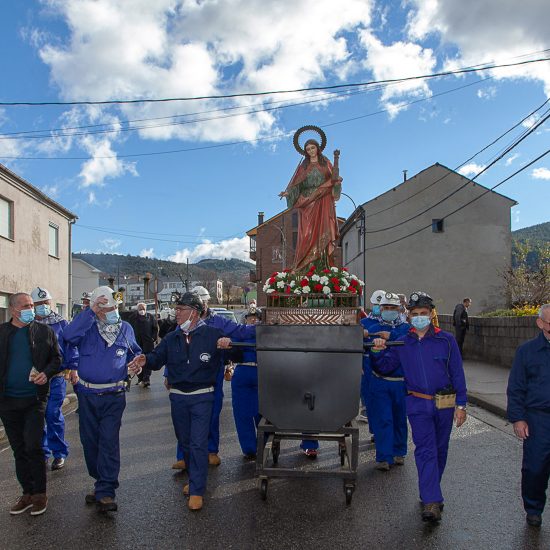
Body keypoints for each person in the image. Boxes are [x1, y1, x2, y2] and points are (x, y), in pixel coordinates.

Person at [128, 292, 231, 511]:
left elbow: (233, 354)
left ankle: (197, 490)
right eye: (176, 309)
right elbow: (157, 358)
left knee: (198, 442)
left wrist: (229, 346)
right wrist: (145, 360)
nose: (176, 313)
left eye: (180, 309)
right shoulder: (171, 338)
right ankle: (194, 478)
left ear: (194, 312)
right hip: (178, 398)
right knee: (185, 442)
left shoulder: (213, 334)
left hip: (203, 396)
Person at [371, 292, 467, 523]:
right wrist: (377, 350)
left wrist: (461, 404)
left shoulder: (446, 340)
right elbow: (385, 366)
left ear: (431, 314)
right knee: (425, 450)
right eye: (415, 314)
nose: (419, 317)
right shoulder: (403, 342)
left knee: (440, 449)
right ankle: (431, 500)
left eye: (423, 313)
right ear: (409, 316)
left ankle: (431, 489)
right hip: (417, 403)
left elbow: (457, 373)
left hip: (444, 403)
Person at [63, 286, 142, 513]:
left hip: (114, 396)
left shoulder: (125, 328)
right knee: (90, 442)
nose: (113, 312)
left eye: (115, 307)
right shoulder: (86, 328)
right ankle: (100, 482)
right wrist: (89, 312)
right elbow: (68, 336)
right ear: (97, 309)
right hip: (87, 396)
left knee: (108, 440)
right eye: (107, 308)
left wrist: (138, 362)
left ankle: (107, 490)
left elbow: (135, 352)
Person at [170, 286, 256, 470]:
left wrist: (262, 327)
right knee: (184, 417)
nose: (202, 304)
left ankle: (211, 451)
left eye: (203, 301)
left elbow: (240, 331)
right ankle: (183, 456)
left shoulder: (218, 322)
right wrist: (168, 374)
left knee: (212, 412)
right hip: (187, 375)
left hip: (212, 372)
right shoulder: (183, 323)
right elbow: (173, 348)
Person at [0, 292, 62, 516]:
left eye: (31, 306)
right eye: (26, 306)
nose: (31, 309)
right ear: (13, 309)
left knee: (33, 446)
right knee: (19, 449)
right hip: (7, 401)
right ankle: (26, 493)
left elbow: (57, 359)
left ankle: (39, 494)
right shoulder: (2, 333)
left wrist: (46, 373)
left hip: (34, 400)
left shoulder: (44, 331)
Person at [506, 303, 550, 528]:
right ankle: (533, 509)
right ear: (540, 323)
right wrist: (518, 418)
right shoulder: (527, 351)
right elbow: (516, 387)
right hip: (538, 418)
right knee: (535, 467)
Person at [31, 287, 79, 471]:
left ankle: (59, 453)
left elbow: (71, 346)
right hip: (35, 377)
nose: (43, 306)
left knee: (52, 413)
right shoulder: (28, 324)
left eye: (46, 303)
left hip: (57, 376)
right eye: (39, 303)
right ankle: (42, 452)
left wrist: (73, 368)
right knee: (38, 415)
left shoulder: (60, 323)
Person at [279, 138, 342, 269]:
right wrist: (288, 193)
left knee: (323, 229)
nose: (311, 151)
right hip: (307, 203)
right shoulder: (304, 167)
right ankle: (305, 265)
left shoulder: (326, 163)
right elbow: (297, 185)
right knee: (306, 234)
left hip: (324, 200)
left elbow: (333, 178)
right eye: (308, 149)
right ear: (306, 152)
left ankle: (323, 265)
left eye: (313, 148)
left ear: (318, 148)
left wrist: (336, 183)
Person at [367, 292, 410, 471]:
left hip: (401, 382)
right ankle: (384, 456)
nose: (389, 311)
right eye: (386, 308)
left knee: (400, 418)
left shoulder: (406, 328)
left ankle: (399, 452)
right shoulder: (372, 327)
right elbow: (360, 342)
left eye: (393, 308)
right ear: (381, 308)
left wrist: (390, 336)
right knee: (383, 419)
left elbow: (408, 341)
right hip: (379, 381)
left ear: (399, 309)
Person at [230, 305, 261, 460]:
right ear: (246, 319)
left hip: (262, 372)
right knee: (242, 413)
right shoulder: (240, 333)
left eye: (256, 318)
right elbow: (232, 352)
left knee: (264, 412)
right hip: (243, 370)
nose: (253, 320)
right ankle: (249, 448)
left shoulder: (265, 333)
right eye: (250, 318)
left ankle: (265, 443)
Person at [358, 289, 386, 424]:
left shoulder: (390, 323)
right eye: (376, 304)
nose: (378, 308)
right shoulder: (363, 322)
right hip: (366, 359)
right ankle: (365, 409)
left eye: (381, 305)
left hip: (383, 360)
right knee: (366, 386)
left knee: (381, 388)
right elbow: (356, 343)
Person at [127, 302, 159, 388]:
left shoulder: (150, 317)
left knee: (147, 360)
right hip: (136, 343)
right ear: (137, 309)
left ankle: (146, 379)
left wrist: (153, 338)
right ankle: (140, 378)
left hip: (148, 343)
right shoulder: (132, 318)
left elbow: (155, 328)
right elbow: (129, 330)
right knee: (137, 360)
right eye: (140, 309)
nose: (142, 310)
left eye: (143, 309)